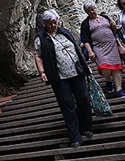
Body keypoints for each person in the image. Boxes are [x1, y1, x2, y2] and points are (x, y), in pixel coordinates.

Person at [34, 9, 93, 147]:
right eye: (50, 23)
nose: (53, 25)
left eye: (55, 22)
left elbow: (76, 50)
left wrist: (85, 66)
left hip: (77, 71)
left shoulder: (65, 32)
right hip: (59, 76)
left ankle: (85, 127)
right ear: (45, 24)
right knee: (67, 104)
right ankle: (75, 136)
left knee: (83, 98)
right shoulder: (40, 38)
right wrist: (42, 72)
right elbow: (38, 56)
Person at [80, 2, 125, 98]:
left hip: (112, 45)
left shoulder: (105, 17)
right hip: (98, 47)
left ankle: (119, 89)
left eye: (92, 9)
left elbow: (113, 29)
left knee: (116, 67)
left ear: (95, 8)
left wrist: (115, 26)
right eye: (89, 11)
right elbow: (85, 40)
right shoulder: (85, 23)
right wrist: (90, 52)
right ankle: (108, 80)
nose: (91, 12)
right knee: (104, 66)